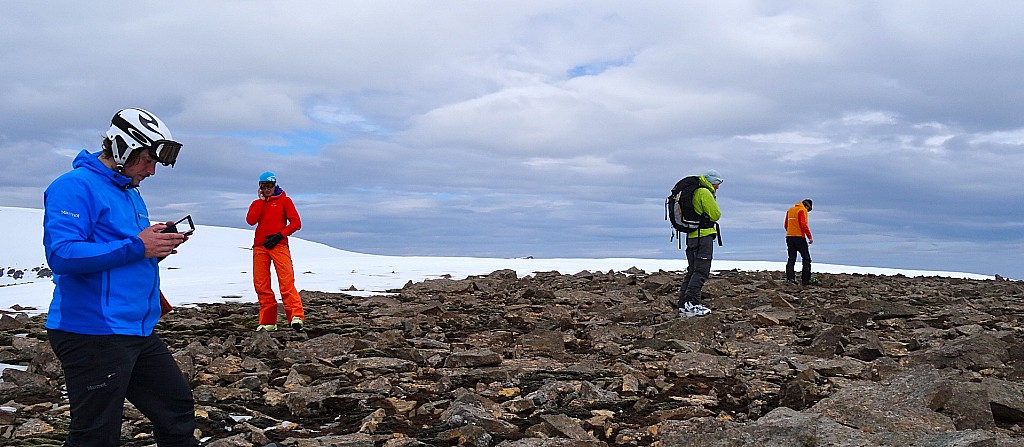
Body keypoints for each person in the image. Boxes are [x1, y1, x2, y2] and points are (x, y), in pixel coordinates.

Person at [43, 108, 198, 446]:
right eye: (147, 160)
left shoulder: (129, 190)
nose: (151, 170)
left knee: (176, 409)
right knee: (96, 434)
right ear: (123, 148)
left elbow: (123, 245)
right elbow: (62, 254)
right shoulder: (74, 187)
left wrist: (153, 239)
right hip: (91, 331)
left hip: (135, 329)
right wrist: (137, 246)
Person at [246, 171, 304, 331]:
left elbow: (296, 223)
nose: (266, 189)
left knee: (286, 280)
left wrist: (279, 235)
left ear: (275, 185)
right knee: (261, 283)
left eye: (269, 186)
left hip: (279, 245)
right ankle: (268, 321)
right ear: (259, 187)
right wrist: (260, 202)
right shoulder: (257, 203)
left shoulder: (285, 201)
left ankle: (296, 316)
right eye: (263, 186)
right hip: (260, 246)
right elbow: (251, 220)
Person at [678, 169, 723, 317]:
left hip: (692, 236)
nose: (718, 187)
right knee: (701, 271)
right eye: (717, 183)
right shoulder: (704, 192)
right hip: (702, 236)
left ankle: (683, 305)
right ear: (711, 181)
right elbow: (715, 214)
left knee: (693, 270)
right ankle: (692, 304)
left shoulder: (696, 190)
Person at [785, 198, 817, 285]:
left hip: (789, 237)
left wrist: (791, 232)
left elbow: (786, 225)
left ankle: (790, 278)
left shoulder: (790, 210)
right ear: (807, 206)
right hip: (799, 237)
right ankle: (806, 279)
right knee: (806, 258)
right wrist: (809, 237)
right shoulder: (802, 210)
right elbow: (803, 224)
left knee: (791, 258)